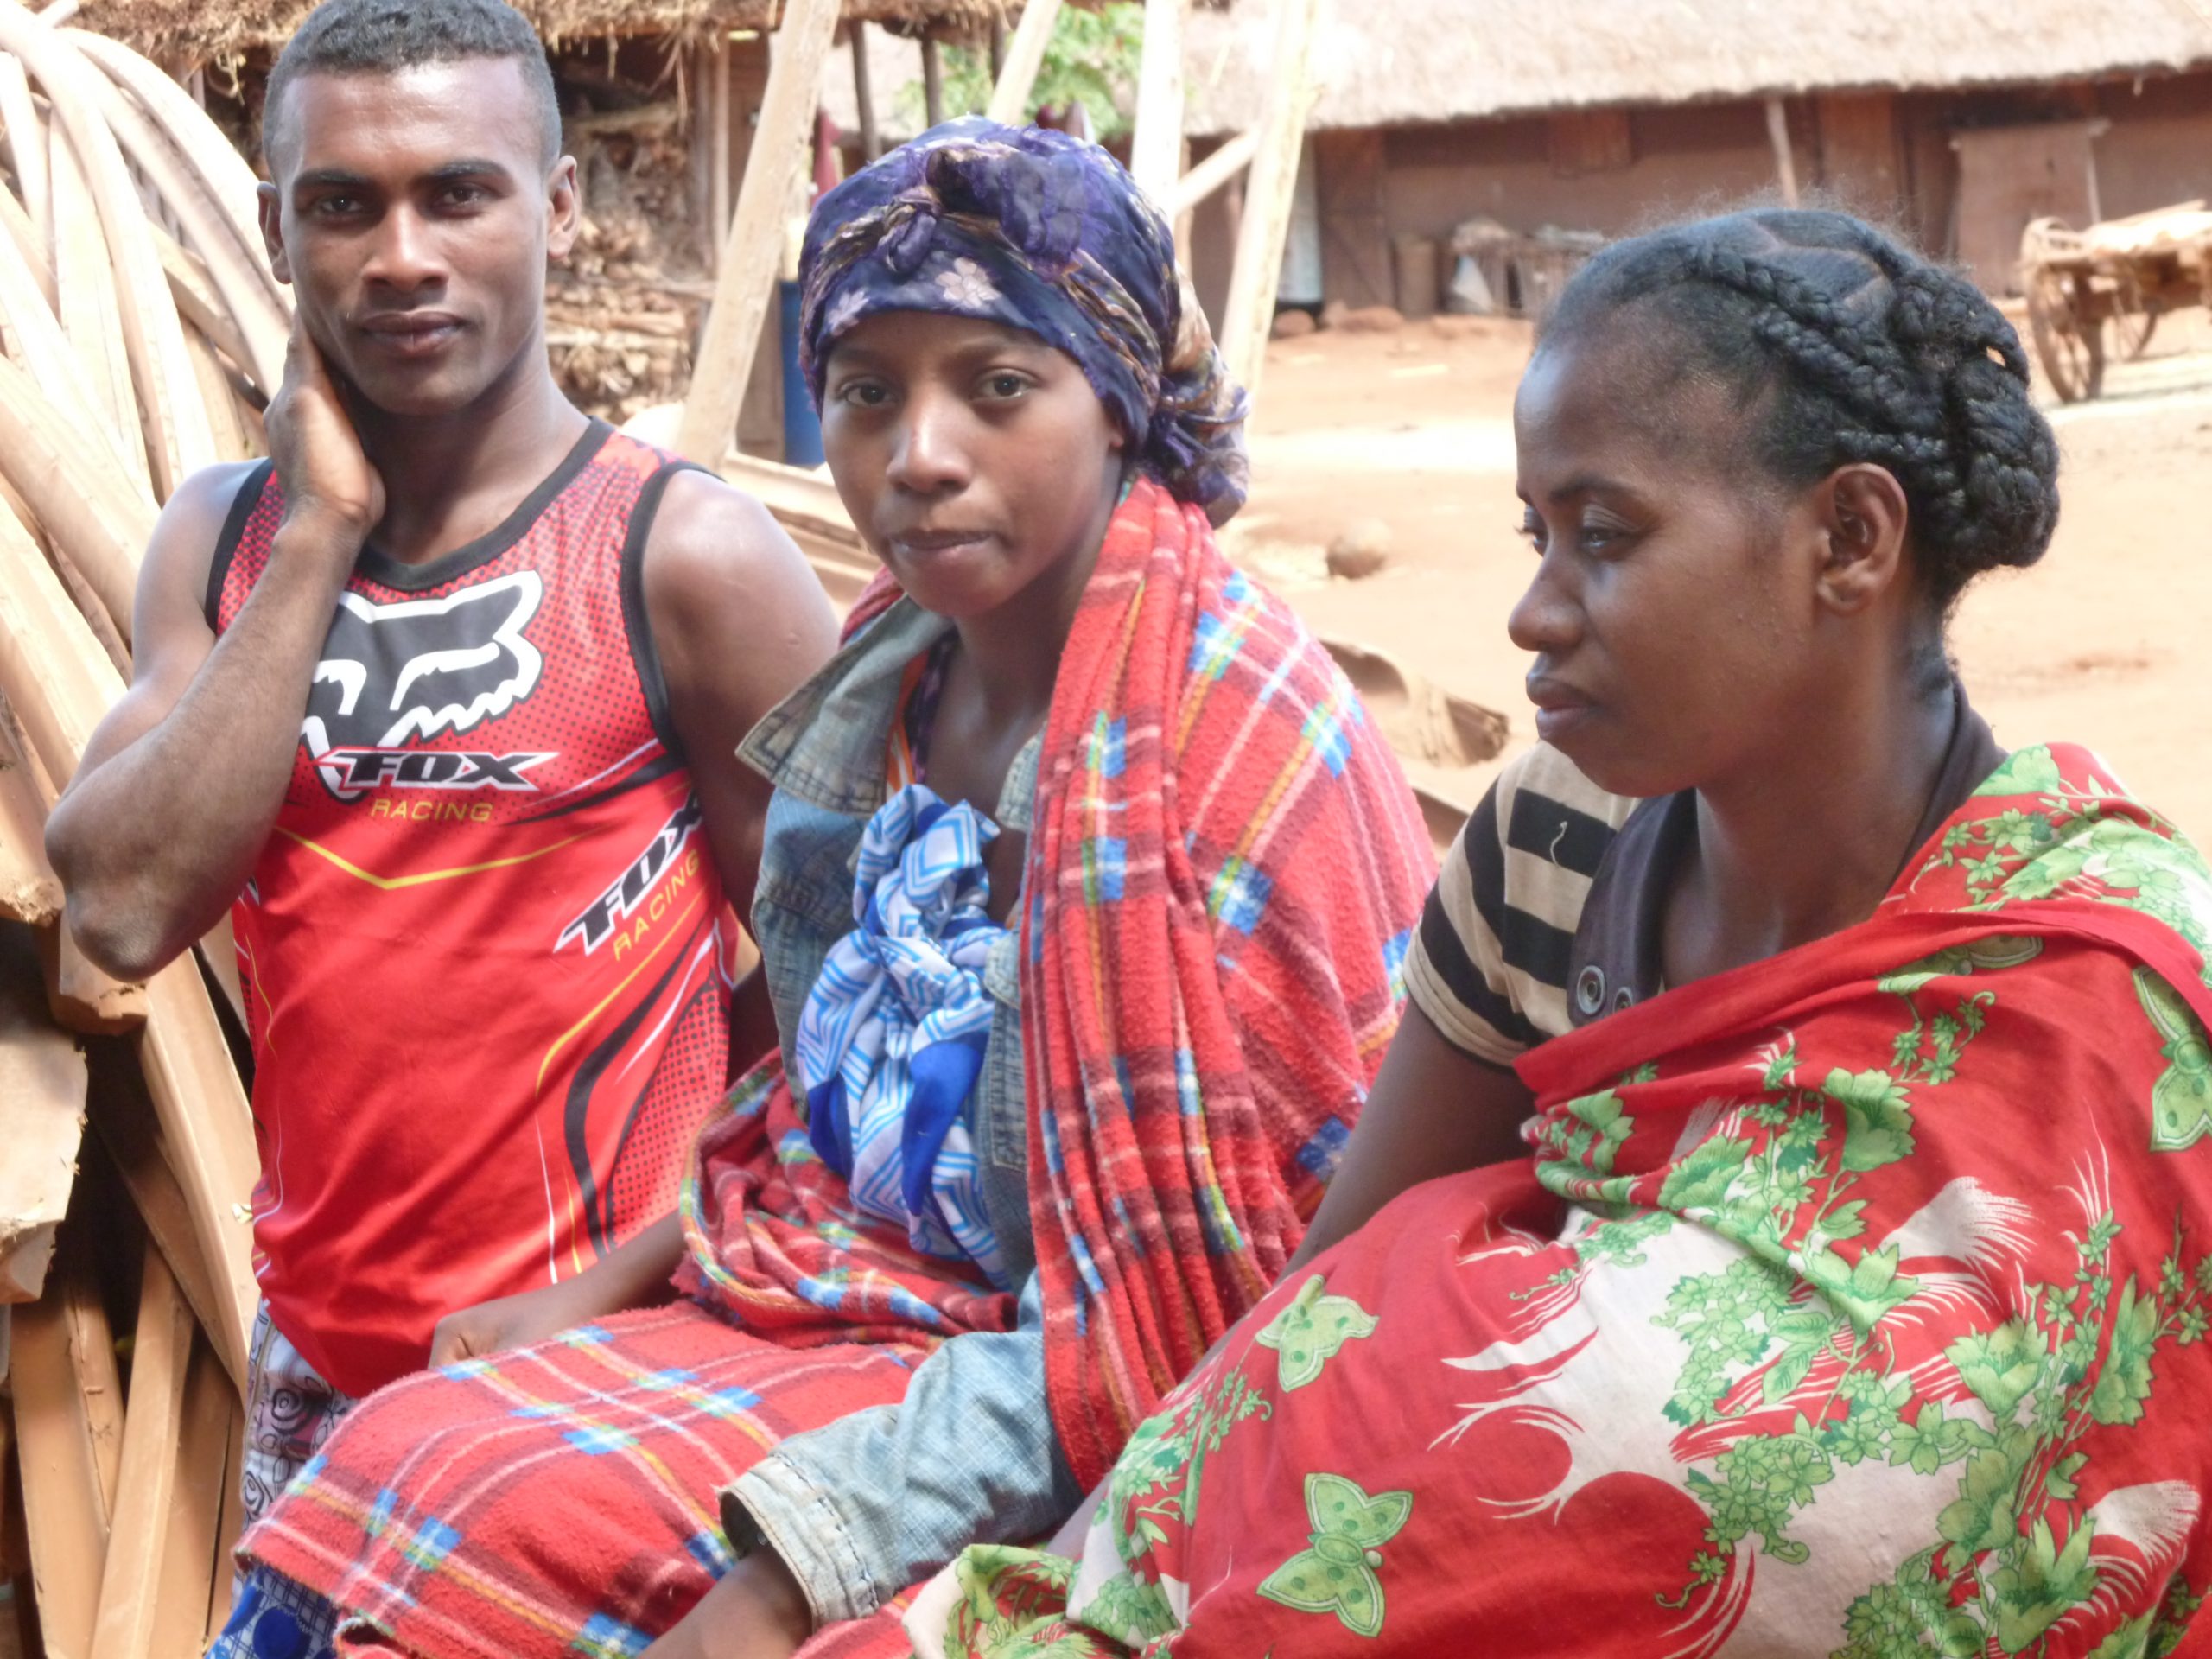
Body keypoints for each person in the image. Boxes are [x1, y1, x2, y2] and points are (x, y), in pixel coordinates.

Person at [208, 118, 1436, 1659]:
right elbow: (811, 1090)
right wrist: (598, 1289)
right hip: (831, 1297)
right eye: (866, 393)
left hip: (1091, 1372)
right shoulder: (887, 685)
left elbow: (1229, 1299)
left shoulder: (1233, 743)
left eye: (999, 387)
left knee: (514, 1528)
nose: (919, 455)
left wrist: (797, 1564)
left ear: (1119, 402)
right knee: (383, 1468)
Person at [907, 209, 2212, 1658]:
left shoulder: (2109, 978)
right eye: (1539, 536)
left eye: (1606, 536)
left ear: (1850, 538)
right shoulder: (1554, 843)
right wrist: (1090, 1578)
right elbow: (1317, 1322)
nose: (1534, 613)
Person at [42, 0, 838, 1525]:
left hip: (604, 1376)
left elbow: (850, 1002)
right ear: (275, 230)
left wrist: (623, 1280)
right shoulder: (224, 543)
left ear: (558, 205)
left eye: (459, 194)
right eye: (345, 205)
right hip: (315, 1369)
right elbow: (124, 910)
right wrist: (321, 533)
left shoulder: (682, 559)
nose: (402, 256)